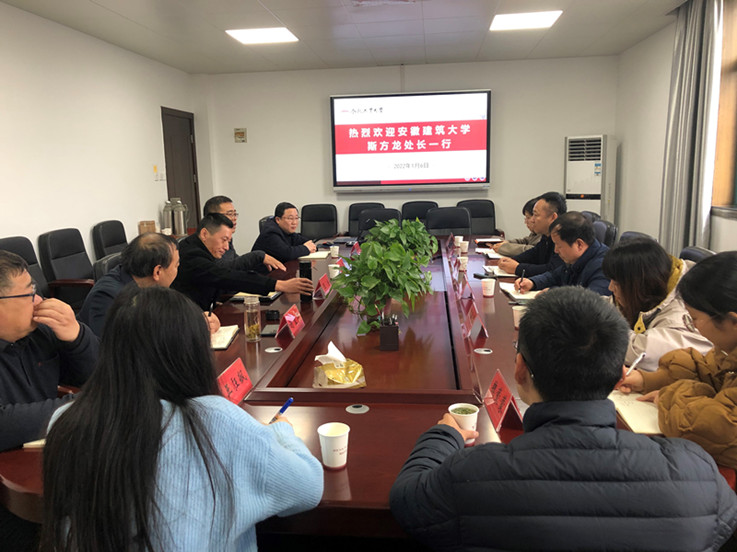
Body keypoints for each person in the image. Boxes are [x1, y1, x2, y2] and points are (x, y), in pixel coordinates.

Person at [390, 287, 737, 551]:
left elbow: (407, 501)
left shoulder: (474, 473)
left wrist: (443, 436)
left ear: (520, 369)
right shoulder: (697, 475)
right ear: (620, 375)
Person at [41, 286, 323, 551]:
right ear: (190, 353)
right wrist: (281, 433)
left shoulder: (65, 420)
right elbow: (308, 487)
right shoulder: (213, 419)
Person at [617, 251, 737, 470]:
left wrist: (668, 396)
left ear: (733, 321)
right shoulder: (727, 349)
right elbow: (706, 369)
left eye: (695, 319)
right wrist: (648, 380)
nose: (693, 327)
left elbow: (714, 430)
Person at [0, 250, 98, 452]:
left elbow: (98, 376)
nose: (39, 301)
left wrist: (77, 337)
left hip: (46, 450)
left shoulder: (39, 332)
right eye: (29, 294)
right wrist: (85, 404)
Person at [77, 233, 220, 336]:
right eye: (176, 265)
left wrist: (197, 320)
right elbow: (111, 352)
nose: (178, 270)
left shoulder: (148, 283)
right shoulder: (109, 297)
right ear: (157, 271)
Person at [603, 238, 712, 372]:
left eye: (617, 283)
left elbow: (641, 352)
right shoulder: (647, 292)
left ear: (640, 284)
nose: (610, 287)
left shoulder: (680, 317)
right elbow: (605, 307)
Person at [173, 213, 313, 310]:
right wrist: (280, 285)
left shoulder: (199, 246)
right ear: (204, 234)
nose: (226, 247)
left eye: (229, 241)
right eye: (224, 240)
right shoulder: (190, 254)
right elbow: (224, 276)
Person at [514, 211, 611, 296]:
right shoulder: (575, 259)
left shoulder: (604, 267)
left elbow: (591, 301)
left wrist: (556, 294)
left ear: (579, 244)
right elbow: (554, 276)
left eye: (559, 245)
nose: (555, 250)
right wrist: (532, 282)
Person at [203, 195, 281, 273]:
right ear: (213, 218)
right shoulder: (207, 241)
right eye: (230, 214)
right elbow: (221, 269)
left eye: (235, 214)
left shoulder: (227, 237)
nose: (234, 218)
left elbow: (235, 261)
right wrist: (257, 256)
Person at [497, 191, 566, 277]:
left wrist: (518, 268)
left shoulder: (564, 238)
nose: (532, 220)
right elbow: (534, 253)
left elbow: (552, 270)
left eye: (535, 215)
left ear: (553, 217)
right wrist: (512, 260)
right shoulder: (546, 235)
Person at [251, 202, 318, 263]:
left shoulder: (286, 230)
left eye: (296, 218)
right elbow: (287, 254)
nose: (294, 222)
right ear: (278, 220)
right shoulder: (270, 232)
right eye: (290, 218)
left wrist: (311, 246)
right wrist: (306, 248)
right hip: (263, 271)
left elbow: (305, 242)